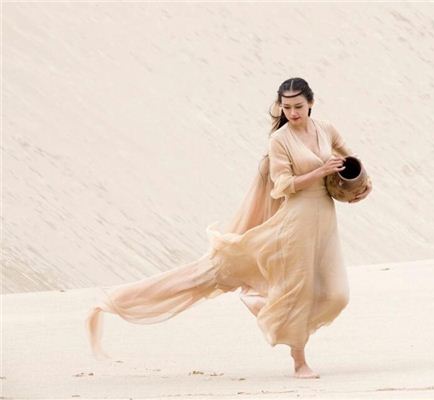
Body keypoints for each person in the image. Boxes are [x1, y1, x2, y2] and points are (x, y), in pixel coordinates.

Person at [85, 77, 373, 379]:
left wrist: (363, 185)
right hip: (296, 221)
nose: (293, 113)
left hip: (325, 218)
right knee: (297, 290)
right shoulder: (280, 141)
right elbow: (282, 185)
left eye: (298, 106)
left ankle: (274, 311)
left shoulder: (325, 129)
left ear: (311, 103)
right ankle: (299, 361)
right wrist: (319, 171)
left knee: (337, 294)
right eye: (286, 107)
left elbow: (351, 160)